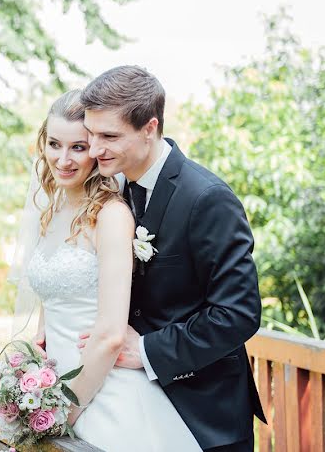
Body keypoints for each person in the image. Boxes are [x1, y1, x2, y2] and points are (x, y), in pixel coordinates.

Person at [76, 66, 266, 452]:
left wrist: (147, 350)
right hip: (129, 407)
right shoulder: (111, 190)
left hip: (205, 414)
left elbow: (238, 312)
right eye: (91, 134)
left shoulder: (208, 198)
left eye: (109, 136)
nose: (95, 150)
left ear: (149, 128)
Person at [11, 89, 202, 451]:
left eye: (78, 147)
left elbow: (112, 334)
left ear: (97, 150)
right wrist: (35, 374)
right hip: (53, 380)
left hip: (100, 389)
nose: (63, 159)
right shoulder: (50, 211)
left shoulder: (112, 216)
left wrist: (63, 411)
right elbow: (50, 301)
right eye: (54, 144)